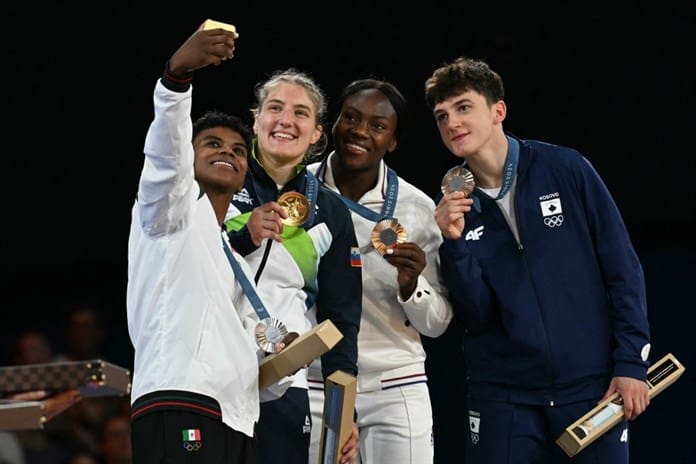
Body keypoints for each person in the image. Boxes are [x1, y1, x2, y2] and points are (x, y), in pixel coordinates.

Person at [425, 56, 651, 463]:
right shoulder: (454, 208)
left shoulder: (564, 168)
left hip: (590, 387)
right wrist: (453, 243)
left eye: (463, 108)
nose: (451, 123)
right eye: (441, 116)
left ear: (498, 111)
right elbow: (477, 314)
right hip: (503, 397)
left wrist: (631, 363)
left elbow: (623, 270)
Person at [126, 21, 294, 464]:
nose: (229, 153)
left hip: (233, 417)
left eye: (239, 150)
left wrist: (276, 351)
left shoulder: (222, 250)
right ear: (190, 156)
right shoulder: (170, 212)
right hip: (180, 400)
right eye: (213, 144)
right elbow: (165, 157)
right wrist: (176, 80)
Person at [305, 78, 453, 464]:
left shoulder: (416, 209)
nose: (360, 131)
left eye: (377, 125)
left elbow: (437, 324)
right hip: (317, 380)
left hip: (393, 381)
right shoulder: (295, 195)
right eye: (350, 118)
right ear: (333, 124)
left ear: (393, 141)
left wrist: (411, 285)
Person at [224, 69, 362, 464]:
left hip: (282, 382)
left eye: (301, 113)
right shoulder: (217, 178)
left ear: (317, 133)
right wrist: (242, 239)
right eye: (275, 108)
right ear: (255, 119)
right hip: (211, 369)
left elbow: (341, 321)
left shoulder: (330, 212)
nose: (286, 120)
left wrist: (342, 413)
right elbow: (183, 265)